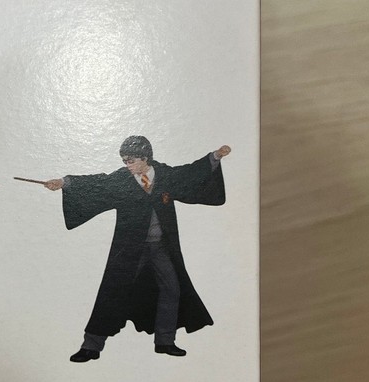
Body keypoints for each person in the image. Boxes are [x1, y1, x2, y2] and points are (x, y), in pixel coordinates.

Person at [42, 135, 231, 360]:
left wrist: (215, 157)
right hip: (129, 248)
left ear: (145, 158)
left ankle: (165, 341)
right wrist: (64, 183)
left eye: (130, 160)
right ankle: (91, 346)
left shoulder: (165, 175)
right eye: (124, 161)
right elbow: (96, 183)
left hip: (161, 247)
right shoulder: (121, 180)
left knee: (172, 289)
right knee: (112, 292)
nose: (127, 165)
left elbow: (190, 173)